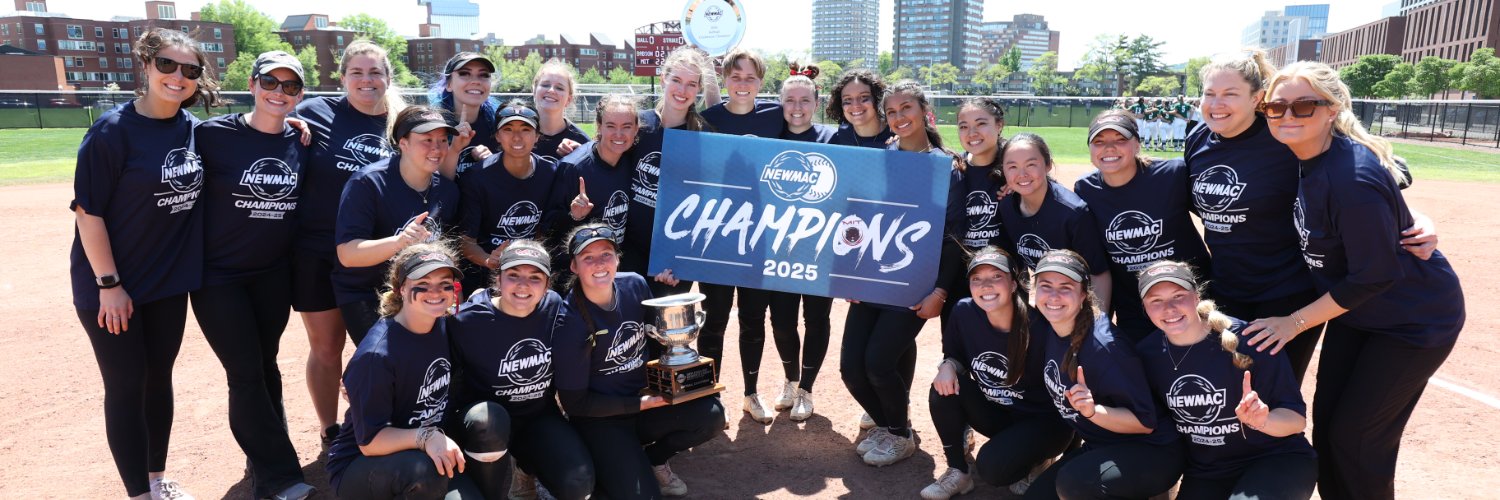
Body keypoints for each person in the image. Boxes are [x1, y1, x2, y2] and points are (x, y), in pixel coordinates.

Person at [1255, 61, 1465, 500]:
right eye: (1277, 107)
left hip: (1412, 320)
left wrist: (1292, 322)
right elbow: (1396, 172)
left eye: (1304, 106)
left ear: (1332, 110)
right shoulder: (1302, 153)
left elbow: (1373, 276)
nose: (1288, 116)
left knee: (1359, 438)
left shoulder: (1350, 178)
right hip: (1359, 315)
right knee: (1330, 422)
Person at [1186, 50, 1437, 382]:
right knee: (1226, 388)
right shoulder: (1198, 139)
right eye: (1209, 94)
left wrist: (1417, 217)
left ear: (1257, 98)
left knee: (1275, 391)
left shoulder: (1284, 133)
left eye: (1230, 94)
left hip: (1287, 290)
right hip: (1229, 286)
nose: (1217, 104)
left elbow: (1380, 170)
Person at [70, 26, 216, 500]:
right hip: (112, 283)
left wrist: (296, 126)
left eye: (189, 70)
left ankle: (156, 479)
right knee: (127, 384)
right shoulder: (112, 132)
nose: (178, 77)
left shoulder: (194, 129)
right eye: (168, 66)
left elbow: (249, 135)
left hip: (167, 282)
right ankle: (138, 494)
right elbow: (88, 216)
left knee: (159, 380)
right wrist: (109, 284)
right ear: (147, 65)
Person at [189, 50, 313, 500]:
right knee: (243, 372)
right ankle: (279, 479)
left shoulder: (300, 140)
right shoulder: (211, 135)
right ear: (253, 82)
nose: (279, 92)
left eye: (291, 86)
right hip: (218, 277)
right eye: (271, 82)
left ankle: (263, 454)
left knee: (265, 365)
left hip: (271, 275)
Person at [553, 223, 726, 498]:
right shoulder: (569, 321)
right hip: (600, 419)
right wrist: (639, 403)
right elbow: (575, 404)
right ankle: (610, 461)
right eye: (588, 257)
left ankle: (654, 458)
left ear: (618, 258)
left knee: (712, 416)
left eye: (606, 254)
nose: (599, 263)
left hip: (644, 405)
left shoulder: (634, 283)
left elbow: (658, 339)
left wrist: (682, 376)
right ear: (574, 266)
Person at [842, 80, 965, 468]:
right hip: (873, 278)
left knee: (878, 362)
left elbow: (952, 240)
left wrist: (941, 291)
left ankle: (899, 436)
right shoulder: (881, 157)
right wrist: (851, 276)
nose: (898, 117)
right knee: (850, 368)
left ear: (924, 111)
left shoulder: (947, 166)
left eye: (905, 108)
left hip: (915, 283)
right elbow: (858, 220)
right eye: (891, 111)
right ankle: (888, 422)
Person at [293, 39, 406, 444]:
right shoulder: (314, 113)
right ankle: (329, 427)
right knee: (326, 347)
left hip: (375, 253)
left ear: (387, 78)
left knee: (379, 345)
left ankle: (380, 423)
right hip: (318, 251)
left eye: (375, 72)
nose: (366, 80)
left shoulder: (398, 123)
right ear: (342, 77)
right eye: (356, 72)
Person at [1133, 261, 1316, 500]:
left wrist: (1263, 420)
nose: (1169, 308)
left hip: (1275, 459)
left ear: (1196, 297)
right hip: (1208, 471)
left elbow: (1296, 420)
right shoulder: (1147, 355)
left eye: (1178, 296)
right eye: (1156, 300)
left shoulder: (1251, 340)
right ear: (1145, 308)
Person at [324, 242, 484, 499]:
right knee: (421, 472)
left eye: (445, 283)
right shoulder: (377, 355)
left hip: (426, 451)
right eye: (423, 282)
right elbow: (370, 442)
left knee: (486, 423)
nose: (436, 291)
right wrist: (426, 436)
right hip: (366, 465)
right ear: (401, 288)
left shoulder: (443, 324)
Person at [920, 248, 1074, 500]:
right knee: (943, 388)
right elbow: (955, 355)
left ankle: (1039, 460)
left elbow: (1068, 388)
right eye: (977, 279)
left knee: (994, 470)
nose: (986, 285)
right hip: (999, 413)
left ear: (1014, 284)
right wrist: (947, 366)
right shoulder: (963, 311)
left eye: (996, 277)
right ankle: (958, 471)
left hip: (1043, 423)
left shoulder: (1042, 327)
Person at [1028, 250, 1183, 499]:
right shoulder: (1050, 327)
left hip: (1152, 452)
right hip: (1102, 446)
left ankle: (1152, 492)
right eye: (1046, 285)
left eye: (1065, 286)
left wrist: (1092, 411)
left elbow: (1145, 424)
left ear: (1082, 294)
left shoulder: (1105, 347)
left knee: (1074, 484)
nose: (1054, 296)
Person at [447, 240, 594, 500]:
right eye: (513, 276)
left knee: (578, 484)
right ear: (498, 280)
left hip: (536, 416)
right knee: (489, 422)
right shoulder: (467, 321)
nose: (523, 285)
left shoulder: (554, 307)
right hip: (485, 424)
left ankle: (525, 467)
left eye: (534, 278)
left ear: (548, 285)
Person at [737, 64, 839, 423]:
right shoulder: (769, 136)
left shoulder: (833, 137)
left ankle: (806, 389)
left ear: (817, 103)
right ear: (779, 103)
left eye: (805, 100)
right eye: (790, 100)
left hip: (818, 247)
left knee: (816, 317)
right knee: (782, 321)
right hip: (775, 247)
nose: (797, 107)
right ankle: (790, 380)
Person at [699, 48, 789, 423]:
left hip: (760, 235)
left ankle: (751, 393)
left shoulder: (775, 118)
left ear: (760, 82)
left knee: (754, 318)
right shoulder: (704, 120)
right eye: (735, 76)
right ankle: (710, 397)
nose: (742, 84)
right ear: (724, 79)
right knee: (714, 319)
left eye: (750, 77)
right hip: (717, 235)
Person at [1072, 110, 1210, 341]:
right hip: (1134, 309)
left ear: (1137, 144)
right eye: (1099, 142)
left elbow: (1215, 212)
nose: (1109, 148)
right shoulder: (1086, 190)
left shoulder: (1171, 175)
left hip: (1191, 303)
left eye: (1120, 140)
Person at [333, 106, 461, 345]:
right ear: (403, 142)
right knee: (387, 365)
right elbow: (348, 255)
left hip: (421, 291)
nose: (437, 148)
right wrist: (400, 241)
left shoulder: (447, 189)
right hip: (368, 293)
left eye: (443, 140)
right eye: (427, 140)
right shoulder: (368, 183)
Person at [995, 134, 1112, 312]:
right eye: (1012, 166)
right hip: (1052, 299)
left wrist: (1097, 324)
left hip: (1078, 299)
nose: (1022, 174)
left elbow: (1099, 273)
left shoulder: (1072, 213)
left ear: (1048, 165)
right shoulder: (1007, 207)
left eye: (1031, 164)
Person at [455, 100, 558, 295]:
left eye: (526, 129)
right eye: (508, 129)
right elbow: (466, 242)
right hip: (487, 278)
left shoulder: (551, 173)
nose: (517, 137)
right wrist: (489, 260)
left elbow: (546, 232)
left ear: (537, 136)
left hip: (531, 271)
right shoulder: (477, 178)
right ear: (497, 135)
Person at [548, 94, 645, 292]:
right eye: (610, 125)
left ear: (636, 129)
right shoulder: (573, 167)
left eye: (627, 126)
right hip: (577, 277)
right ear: (599, 126)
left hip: (613, 269)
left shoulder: (633, 161)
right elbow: (548, 226)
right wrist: (574, 216)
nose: (619, 134)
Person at [433, 52, 496, 177]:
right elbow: (436, 184)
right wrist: (455, 149)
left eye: (483, 75)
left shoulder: (499, 124)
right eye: (464, 73)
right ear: (448, 84)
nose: (475, 81)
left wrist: (493, 162)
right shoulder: (430, 126)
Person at [531, 59, 591, 163]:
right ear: (534, 91)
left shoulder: (582, 142)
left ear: (569, 99)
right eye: (545, 85)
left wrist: (581, 156)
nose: (551, 90)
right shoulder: (519, 134)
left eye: (559, 88)